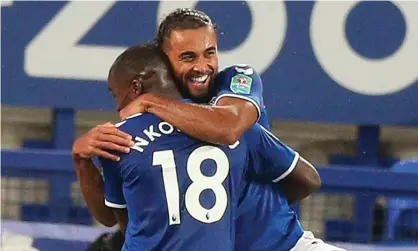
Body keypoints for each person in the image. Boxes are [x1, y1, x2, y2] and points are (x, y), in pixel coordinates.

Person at [74, 43, 300, 251]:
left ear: (135, 88)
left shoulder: (118, 138)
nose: (116, 105)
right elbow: (308, 179)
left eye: (116, 95)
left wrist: (81, 159)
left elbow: (114, 219)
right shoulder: (237, 127)